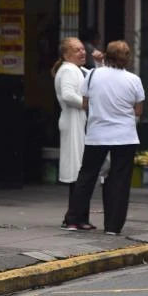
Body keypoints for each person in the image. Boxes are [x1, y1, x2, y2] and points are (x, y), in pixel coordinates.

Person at [63, 40, 145, 235]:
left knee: (86, 176)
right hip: (125, 136)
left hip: (96, 134)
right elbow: (139, 110)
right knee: (119, 180)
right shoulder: (134, 80)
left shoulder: (92, 76)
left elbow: (84, 103)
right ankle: (113, 226)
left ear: (106, 56)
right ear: (127, 59)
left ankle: (74, 219)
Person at [51, 37, 87, 227]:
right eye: (76, 50)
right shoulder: (68, 70)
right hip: (72, 120)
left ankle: (78, 216)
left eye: (82, 49)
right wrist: (87, 103)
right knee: (77, 169)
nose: (82, 52)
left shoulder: (76, 70)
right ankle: (73, 217)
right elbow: (67, 95)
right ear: (66, 55)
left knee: (80, 169)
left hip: (77, 119)